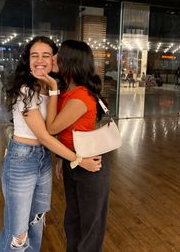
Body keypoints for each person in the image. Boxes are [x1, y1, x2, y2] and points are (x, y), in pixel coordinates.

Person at [0, 36, 102, 252]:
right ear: (28, 60)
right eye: (35, 55)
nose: (41, 60)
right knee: (18, 233)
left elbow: (59, 130)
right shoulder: (26, 90)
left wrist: (53, 87)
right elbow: (45, 135)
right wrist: (78, 160)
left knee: (36, 223)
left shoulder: (54, 89)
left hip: (43, 159)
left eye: (46, 55)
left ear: (55, 59)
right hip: (21, 161)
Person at [36, 40, 111, 252]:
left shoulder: (80, 96)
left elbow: (51, 128)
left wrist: (51, 89)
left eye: (58, 54)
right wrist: (63, 158)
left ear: (71, 61)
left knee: (90, 227)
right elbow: (68, 132)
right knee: (73, 220)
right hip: (75, 160)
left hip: (91, 166)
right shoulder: (68, 91)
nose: (53, 58)